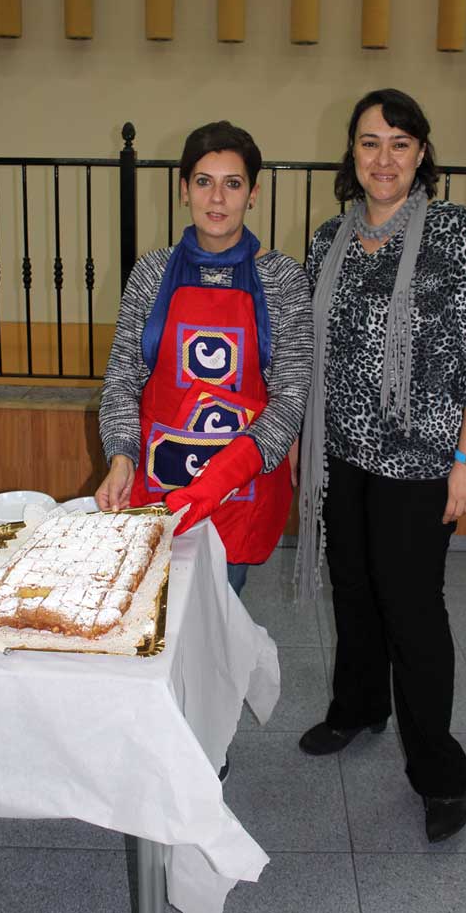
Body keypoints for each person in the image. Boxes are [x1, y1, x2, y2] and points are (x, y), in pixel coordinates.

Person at [295, 89, 466, 843]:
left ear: (422, 153)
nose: (382, 158)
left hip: (422, 463)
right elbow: (311, 347)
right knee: (353, 590)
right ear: (350, 156)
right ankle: (358, 707)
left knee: (412, 610)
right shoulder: (329, 239)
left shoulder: (457, 234)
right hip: (343, 453)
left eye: (398, 142)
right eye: (368, 143)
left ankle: (441, 773)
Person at [96, 120, 313, 599]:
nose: (217, 199)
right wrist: (120, 456)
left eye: (232, 184)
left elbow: (291, 398)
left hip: (239, 494)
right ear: (183, 190)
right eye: (203, 182)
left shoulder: (281, 280)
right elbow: (121, 381)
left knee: (213, 629)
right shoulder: (151, 273)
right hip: (155, 489)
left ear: (253, 193)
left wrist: (217, 483)